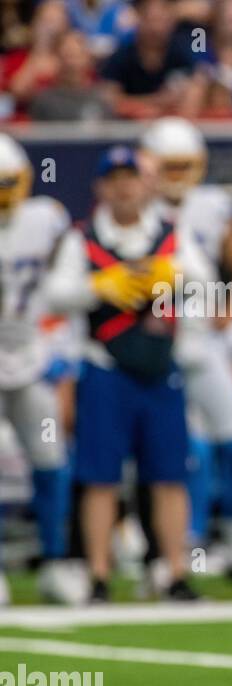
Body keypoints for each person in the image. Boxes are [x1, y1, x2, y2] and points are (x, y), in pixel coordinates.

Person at [44, 145, 211, 603]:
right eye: (114, 179)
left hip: (160, 367)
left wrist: (165, 275)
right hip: (107, 366)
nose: (123, 187)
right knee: (100, 476)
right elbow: (54, 294)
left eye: (130, 177)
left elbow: (206, 281)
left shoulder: (171, 234)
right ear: (101, 186)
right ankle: (99, 574)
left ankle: (173, 570)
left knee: (169, 473)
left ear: (145, 183)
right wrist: (100, 286)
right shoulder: (83, 238)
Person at [139, 117, 232, 575]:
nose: (176, 177)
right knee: (187, 450)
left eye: (183, 166)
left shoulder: (212, 206)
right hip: (159, 345)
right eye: (168, 167)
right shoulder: (139, 207)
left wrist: (230, 314)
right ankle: (185, 543)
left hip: (205, 341)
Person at [0, 134, 82, 605]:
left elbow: (64, 289)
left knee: (51, 462)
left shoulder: (46, 221)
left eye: (10, 183)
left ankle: (55, 563)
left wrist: (59, 353)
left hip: (31, 357)